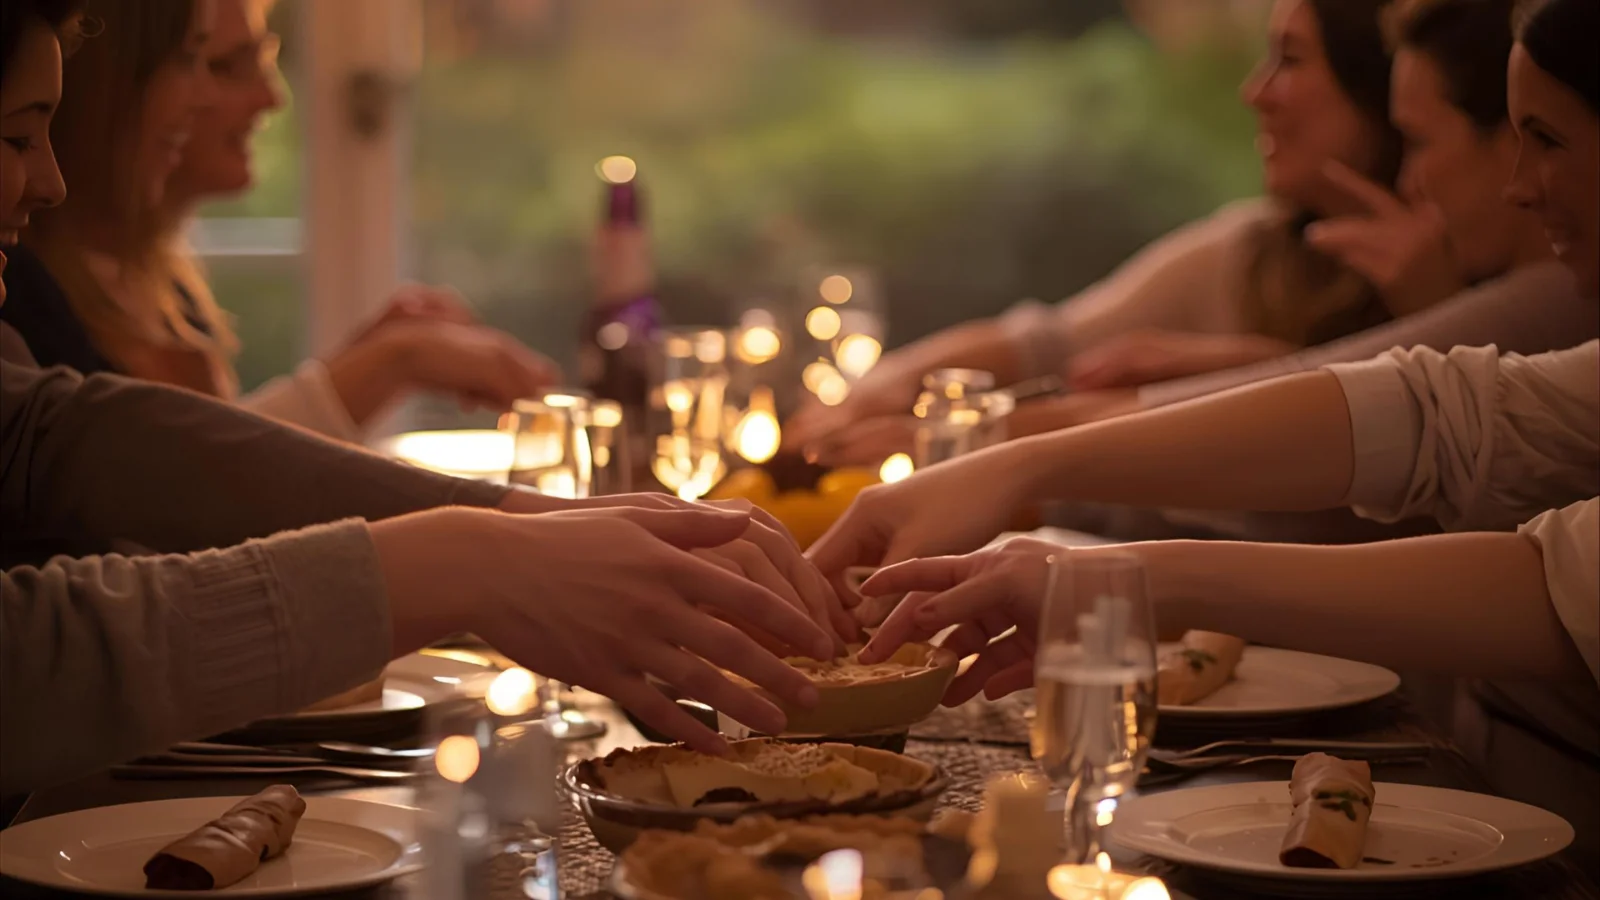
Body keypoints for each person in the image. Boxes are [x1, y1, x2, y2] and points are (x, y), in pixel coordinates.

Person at [0, 0, 850, 795]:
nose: (51, 181)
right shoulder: (37, 283)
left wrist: (520, 522)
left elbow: (52, 430)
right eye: (15, 135)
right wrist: (466, 556)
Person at [825, 0, 1599, 860]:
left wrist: (1066, 533)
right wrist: (1014, 468)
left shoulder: (1551, 299)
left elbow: (1544, 581)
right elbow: (1433, 414)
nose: (1521, 185)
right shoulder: (1262, 247)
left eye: (1547, 140)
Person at [804, 0, 1597, 478]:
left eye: (1290, 60)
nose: (1254, 92)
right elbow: (1050, 341)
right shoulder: (1257, 247)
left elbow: (1359, 409)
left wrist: (966, 440)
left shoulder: (1547, 294)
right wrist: (880, 394)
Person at [0, 0, 561, 442]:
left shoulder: (158, 279)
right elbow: (189, 492)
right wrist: (391, 361)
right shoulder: (21, 293)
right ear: (103, 85)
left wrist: (386, 353)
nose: (272, 97)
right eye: (218, 63)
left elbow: (214, 470)